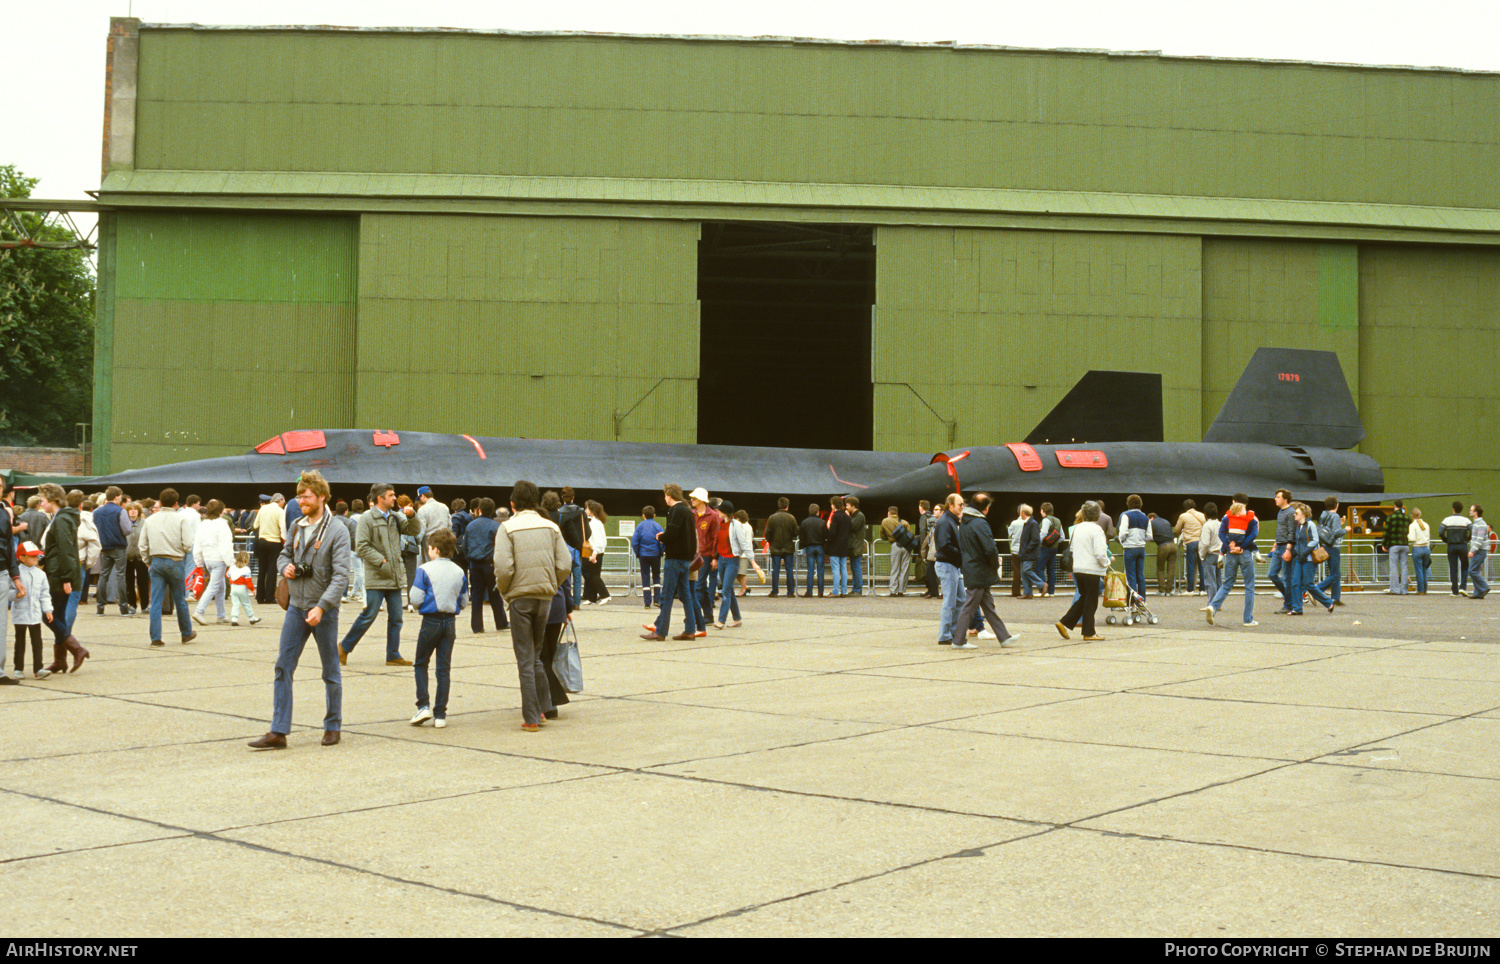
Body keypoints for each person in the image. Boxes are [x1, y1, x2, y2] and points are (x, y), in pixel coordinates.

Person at [248, 470, 351, 750]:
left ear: (321, 496)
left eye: (306, 497)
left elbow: (341, 576)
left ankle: (332, 726)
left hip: (323, 610)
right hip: (296, 606)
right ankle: (278, 731)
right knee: (283, 666)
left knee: (330, 670)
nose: (301, 501)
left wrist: (322, 607)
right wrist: (286, 567)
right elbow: (284, 555)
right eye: (299, 497)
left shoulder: (337, 530)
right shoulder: (296, 524)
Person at [494, 479, 572, 732]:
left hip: (520, 597)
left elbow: (503, 568)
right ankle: (543, 706)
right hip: (545, 597)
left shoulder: (506, 529)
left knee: (525, 658)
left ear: (512, 503)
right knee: (537, 655)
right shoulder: (551, 527)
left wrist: (507, 592)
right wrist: (551, 584)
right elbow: (565, 564)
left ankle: (531, 717)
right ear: (536, 501)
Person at [340, 483, 420, 666]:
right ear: (380, 498)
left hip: (393, 576)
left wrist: (413, 516)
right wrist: (381, 561)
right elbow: (361, 546)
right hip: (378, 575)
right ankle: (344, 647)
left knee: (397, 617)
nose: (395, 498)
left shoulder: (395, 517)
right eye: (391, 495)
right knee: (369, 614)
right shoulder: (367, 519)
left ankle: (393, 654)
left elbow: (414, 531)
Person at [408, 528, 468, 729]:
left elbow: (415, 599)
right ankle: (440, 713)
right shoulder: (459, 571)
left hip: (430, 621)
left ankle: (423, 705)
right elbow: (464, 600)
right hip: (450, 621)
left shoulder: (424, 570)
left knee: (421, 663)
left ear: (434, 549)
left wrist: (420, 604)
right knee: (443, 669)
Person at [951, 493, 1018, 648]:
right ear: (986, 508)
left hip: (972, 567)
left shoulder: (965, 522)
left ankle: (1004, 637)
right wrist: (995, 566)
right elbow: (990, 549)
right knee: (969, 607)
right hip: (980, 570)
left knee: (988, 606)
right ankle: (958, 640)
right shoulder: (980, 523)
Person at [38, 484, 90, 673]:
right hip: (60, 573)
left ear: (52, 499)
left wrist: (67, 578)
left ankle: (77, 649)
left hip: (59, 575)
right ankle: (60, 660)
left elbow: (66, 550)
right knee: (57, 616)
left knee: (47, 615)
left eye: (43, 499)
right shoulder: (62, 518)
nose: (41, 502)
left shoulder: (61, 520)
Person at [642, 484, 699, 641]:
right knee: (685, 594)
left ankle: (660, 631)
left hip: (674, 558)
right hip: (685, 559)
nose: (665, 498)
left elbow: (673, 533)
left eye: (666, 495)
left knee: (666, 595)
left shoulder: (675, 510)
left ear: (670, 495)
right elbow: (688, 536)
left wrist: (661, 537)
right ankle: (690, 630)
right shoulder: (687, 511)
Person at [1055, 501, 1109, 641]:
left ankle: (1064, 622)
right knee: (1091, 601)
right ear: (1097, 514)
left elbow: (1072, 548)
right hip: (1092, 569)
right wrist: (1106, 563)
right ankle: (1088, 632)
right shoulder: (1097, 530)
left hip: (1077, 568)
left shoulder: (1076, 528)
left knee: (1084, 598)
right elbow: (1100, 553)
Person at [1204, 501, 1259, 627]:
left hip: (1230, 554)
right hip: (1244, 553)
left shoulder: (1226, 518)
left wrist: (1229, 546)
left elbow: (1221, 533)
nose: (1246, 510)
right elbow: (1254, 534)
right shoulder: (1250, 519)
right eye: (1244, 508)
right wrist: (1242, 547)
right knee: (1249, 585)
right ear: (1240, 509)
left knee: (1227, 583)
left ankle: (1213, 606)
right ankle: (1248, 619)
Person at [464, 498, 508, 634]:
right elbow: (501, 548)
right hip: (490, 564)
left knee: (476, 595)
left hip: (474, 564)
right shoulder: (496, 526)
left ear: (479, 510)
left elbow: (465, 547)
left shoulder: (470, 526)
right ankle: (501, 623)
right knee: (495, 595)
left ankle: (476, 626)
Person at [11, 542, 52, 680]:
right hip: (21, 613)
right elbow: (8, 591)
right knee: (20, 641)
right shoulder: (15, 574)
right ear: (22, 558)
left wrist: (47, 610)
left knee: (37, 641)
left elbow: (44, 594)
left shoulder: (41, 574)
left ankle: (38, 668)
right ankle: (18, 668)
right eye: (32, 557)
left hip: (35, 613)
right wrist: (15, 596)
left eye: (37, 557)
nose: (36, 559)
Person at [191, 500, 234, 625]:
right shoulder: (222, 525)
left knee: (221, 587)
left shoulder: (203, 525)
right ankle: (199, 611)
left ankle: (221, 615)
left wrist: (199, 563)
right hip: (219, 559)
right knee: (214, 587)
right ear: (221, 512)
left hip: (207, 559)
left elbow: (197, 545)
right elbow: (226, 545)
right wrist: (231, 562)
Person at [1288, 502, 1334, 615]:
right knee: (1295, 583)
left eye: (1296, 513)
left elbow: (1315, 540)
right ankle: (1297, 608)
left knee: (1309, 584)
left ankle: (1328, 602)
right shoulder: (1299, 525)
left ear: (1303, 514)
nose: (1294, 515)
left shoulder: (1310, 525)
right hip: (1300, 558)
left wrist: (1303, 552)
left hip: (1308, 559)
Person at [94, 486, 133, 615]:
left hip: (104, 547)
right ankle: (123, 607)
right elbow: (127, 530)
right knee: (121, 576)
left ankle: (100, 607)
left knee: (103, 576)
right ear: (116, 497)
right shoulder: (120, 511)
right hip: (118, 546)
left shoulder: (97, 512)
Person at [934, 493, 965, 645]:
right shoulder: (946, 522)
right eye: (960, 504)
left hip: (952, 565)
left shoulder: (950, 521)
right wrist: (961, 555)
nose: (962, 507)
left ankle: (951, 631)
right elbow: (944, 546)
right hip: (947, 565)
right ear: (950, 505)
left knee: (960, 599)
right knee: (950, 601)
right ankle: (945, 634)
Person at [689, 487, 721, 626]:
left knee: (699, 585)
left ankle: (695, 614)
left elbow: (716, 537)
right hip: (694, 554)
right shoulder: (691, 514)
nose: (691, 500)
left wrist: (715, 557)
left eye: (694, 498)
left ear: (701, 500)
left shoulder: (713, 516)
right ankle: (708, 615)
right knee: (700, 587)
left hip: (707, 554)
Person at [715, 501, 744, 629]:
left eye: (719, 510)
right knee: (729, 590)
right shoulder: (720, 524)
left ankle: (721, 620)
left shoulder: (735, 525)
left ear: (725, 511)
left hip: (732, 559)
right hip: (722, 558)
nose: (717, 511)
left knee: (726, 590)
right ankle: (737, 618)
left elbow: (744, 543)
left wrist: (753, 561)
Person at [252, 493, 285, 604]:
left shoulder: (263, 509)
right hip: (274, 542)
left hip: (262, 541)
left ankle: (260, 597)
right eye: (283, 501)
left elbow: (255, 525)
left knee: (262, 570)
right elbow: (283, 528)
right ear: (280, 500)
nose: (283, 504)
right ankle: (269, 597)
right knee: (272, 570)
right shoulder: (280, 512)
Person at [1268, 489, 1296, 613]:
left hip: (1286, 547)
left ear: (1285, 499)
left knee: (1286, 577)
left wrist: (1288, 549)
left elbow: (1291, 531)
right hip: (1279, 546)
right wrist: (1275, 545)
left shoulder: (1291, 512)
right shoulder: (1281, 511)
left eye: (1278, 497)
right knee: (1272, 574)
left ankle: (1288, 604)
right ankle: (1291, 598)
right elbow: (1281, 529)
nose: (1275, 499)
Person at [630, 505, 664, 608]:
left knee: (645, 576)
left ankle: (647, 602)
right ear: (654, 515)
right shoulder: (658, 526)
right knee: (656, 576)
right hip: (655, 554)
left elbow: (634, 541)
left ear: (643, 515)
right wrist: (661, 552)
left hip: (643, 555)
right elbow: (662, 541)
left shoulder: (640, 526)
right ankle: (657, 600)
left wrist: (638, 553)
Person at [1118, 495, 1149, 603]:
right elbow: (1149, 536)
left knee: (1131, 575)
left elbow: (1123, 533)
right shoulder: (1145, 517)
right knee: (1140, 574)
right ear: (1140, 504)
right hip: (1141, 549)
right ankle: (1142, 600)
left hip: (1130, 548)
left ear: (1128, 504)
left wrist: (1122, 540)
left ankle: (1133, 602)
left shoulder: (1126, 515)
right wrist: (1142, 540)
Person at [764, 498, 798, 598]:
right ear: (787, 506)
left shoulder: (772, 517)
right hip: (788, 547)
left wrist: (771, 542)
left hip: (775, 547)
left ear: (778, 505)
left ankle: (775, 591)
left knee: (775, 570)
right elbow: (795, 532)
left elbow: (767, 534)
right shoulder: (791, 518)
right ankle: (790, 592)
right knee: (789, 569)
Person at [1315, 497, 1346, 606]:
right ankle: (1316, 590)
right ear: (1336, 505)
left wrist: (1340, 524)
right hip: (1334, 546)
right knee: (1335, 574)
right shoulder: (1335, 516)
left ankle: (1335, 598)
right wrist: (1346, 529)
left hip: (1325, 544)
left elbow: (1327, 530)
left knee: (1336, 572)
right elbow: (1337, 533)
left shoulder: (1324, 514)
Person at [1174, 499, 1207, 595]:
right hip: (1201, 543)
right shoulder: (1202, 515)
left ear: (1185, 507)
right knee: (1202, 566)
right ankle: (1202, 590)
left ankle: (1190, 590)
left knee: (1191, 566)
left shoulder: (1183, 516)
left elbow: (1177, 530)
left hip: (1190, 543)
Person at [581, 500, 611, 605]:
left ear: (591, 510)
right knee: (594, 574)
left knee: (594, 575)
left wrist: (594, 553)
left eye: (587, 509)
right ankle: (592, 597)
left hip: (595, 552)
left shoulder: (594, 524)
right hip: (598, 552)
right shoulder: (598, 522)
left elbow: (598, 540)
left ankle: (605, 595)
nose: (586, 510)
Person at [1440, 501, 1472, 596]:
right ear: (1461, 510)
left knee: (1453, 567)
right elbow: (1473, 531)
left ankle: (1454, 590)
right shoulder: (1466, 520)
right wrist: (1467, 539)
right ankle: (1463, 587)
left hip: (1451, 546)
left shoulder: (1446, 520)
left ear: (1453, 509)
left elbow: (1441, 532)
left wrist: (1446, 541)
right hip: (1463, 546)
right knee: (1465, 566)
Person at [880, 506, 912, 596]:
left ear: (888, 513)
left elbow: (882, 536)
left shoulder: (885, 521)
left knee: (895, 568)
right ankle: (901, 590)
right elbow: (910, 534)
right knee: (904, 569)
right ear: (897, 514)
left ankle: (893, 590)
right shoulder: (904, 522)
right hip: (905, 546)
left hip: (895, 545)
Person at [1382, 499, 1411, 595]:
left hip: (1394, 545)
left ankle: (1395, 589)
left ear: (1394, 506)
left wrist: (1384, 544)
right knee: (1404, 566)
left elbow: (1387, 532)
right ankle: (1404, 590)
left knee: (1393, 567)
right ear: (1402, 506)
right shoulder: (1407, 518)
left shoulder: (1390, 517)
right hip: (1405, 544)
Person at [825, 495, 851, 597]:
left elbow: (832, 532)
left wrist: (829, 528)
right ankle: (844, 591)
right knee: (843, 568)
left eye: (831, 504)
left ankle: (835, 591)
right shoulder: (847, 516)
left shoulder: (836, 516)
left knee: (835, 569)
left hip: (835, 546)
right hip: (844, 545)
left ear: (834, 504)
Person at [227, 550, 261, 626]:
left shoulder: (232, 567)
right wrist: (253, 590)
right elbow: (248, 582)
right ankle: (251, 618)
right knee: (246, 603)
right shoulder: (246, 569)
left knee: (235, 604)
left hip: (233, 588)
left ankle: (234, 619)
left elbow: (228, 575)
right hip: (242, 588)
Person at [1016, 504, 1043, 598]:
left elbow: (1035, 539)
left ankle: (1042, 585)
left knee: (1026, 570)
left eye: (1020, 512)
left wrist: (1026, 550)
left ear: (1023, 513)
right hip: (1025, 552)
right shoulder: (1029, 523)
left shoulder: (1032, 523)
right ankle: (1027, 593)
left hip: (1028, 553)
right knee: (1023, 572)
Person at [799, 504, 826, 598]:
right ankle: (820, 592)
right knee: (820, 570)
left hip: (809, 547)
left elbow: (802, 537)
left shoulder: (804, 522)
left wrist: (803, 548)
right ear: (818, 512)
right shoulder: (822, 522)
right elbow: (826, 535)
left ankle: (809, 592)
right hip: (820, 547)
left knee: (810, 570)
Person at [1036, 503, 1062, 598]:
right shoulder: (1058, 520)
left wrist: (1038, 543)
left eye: (1041, 510)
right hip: (1054, 549)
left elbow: (1043, 533)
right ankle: (1051, 592)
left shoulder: (1046, 520)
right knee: (1051, 570)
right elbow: (1062, 537)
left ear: (1043, 511)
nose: (1040, 512)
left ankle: (1043, 590)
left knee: (1039, 568)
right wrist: (1054, 542)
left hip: (1045, 548)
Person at [1198, 502, 1222, 602]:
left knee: (1210, 580)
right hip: (1220, 554)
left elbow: (1205, 543)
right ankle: (1218, 603)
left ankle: (1211, 604)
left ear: (1205, 514)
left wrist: (1201, 555)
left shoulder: (1207, 526)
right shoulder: (1221, 524)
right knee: (1218, 580)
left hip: (1210, 554)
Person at [1150, 512, 1177, 594]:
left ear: (1151, 518)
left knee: (1160, 569)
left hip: (1163, 546)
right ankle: (1169, 591)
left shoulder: (1151, 522)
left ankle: (1161, 590)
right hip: (1173, 545)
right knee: (1171, 569)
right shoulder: (1166, 521)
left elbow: (1149, 535)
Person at [1467, 504, 1489, 600]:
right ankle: (1478, 592)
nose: (1470, 511)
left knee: (1472, 570)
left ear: (1476, 512)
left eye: (1471, 510)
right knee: (1474, 570)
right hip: (1479, 550)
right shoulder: (1478, 523)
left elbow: (1479, 540)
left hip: (1480, 550)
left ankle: (1484, 587)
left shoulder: (1480, 524)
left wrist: (1472, 551)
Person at [846, 497, 867, 596]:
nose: (846, 507)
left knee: (856, 568)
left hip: (856, 546)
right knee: (854, 568)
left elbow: (852, 526)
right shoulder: (855, 515)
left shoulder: (859, 516)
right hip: (854, 545)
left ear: (853, 506)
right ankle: (855, 589)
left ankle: (858, 590)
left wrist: (847, 517)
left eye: (847, 505)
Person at [1409, 508, 1432, 594]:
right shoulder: (1426, 524)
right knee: (1424, 570)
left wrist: (1407, 535)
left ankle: (1420, 590)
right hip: (1426, 548)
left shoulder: (1412, 525)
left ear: (1412, 515)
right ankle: (1425, 589)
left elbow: (1412, 538)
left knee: (1418, 570)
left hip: (1417, 548)